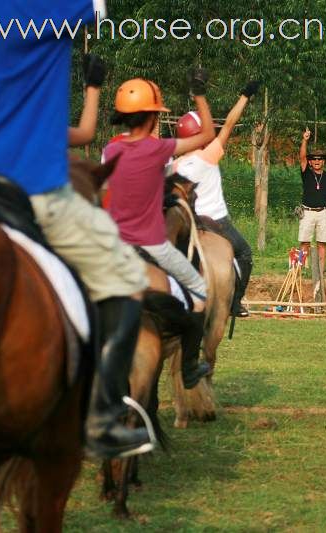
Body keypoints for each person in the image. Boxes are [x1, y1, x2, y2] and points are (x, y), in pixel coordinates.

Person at [0, 2, 159, 459]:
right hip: (33, 187)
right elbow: (101, 10)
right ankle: (101, 419)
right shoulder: (58, 6)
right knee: (126, 277)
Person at [103, 70, 216, 392]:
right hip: (153, 246)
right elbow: (207, 134)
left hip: (114, 247)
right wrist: (198, 95)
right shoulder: (159, 149)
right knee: (198, 292)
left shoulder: (111, 151)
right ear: (153, 116)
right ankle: (190, 368)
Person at [173, 80, 262, 317]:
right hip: (216, 222)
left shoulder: (173, 165)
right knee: (244, 254)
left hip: (187, 223)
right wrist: (245, 96)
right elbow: (229, 125)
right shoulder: (208, 155)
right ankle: (235, 303)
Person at [298, 127, 326, 274]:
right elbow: (302, 157)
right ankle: (301, 269)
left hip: (324, 212)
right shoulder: (306, 173)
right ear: (310, 162)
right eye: (314, 159)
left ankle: (320, 272)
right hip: (308, 212)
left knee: (322, 243)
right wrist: (305, 140)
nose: (316, 161)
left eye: (320, 159)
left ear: (324, 161)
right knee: (304, 242)